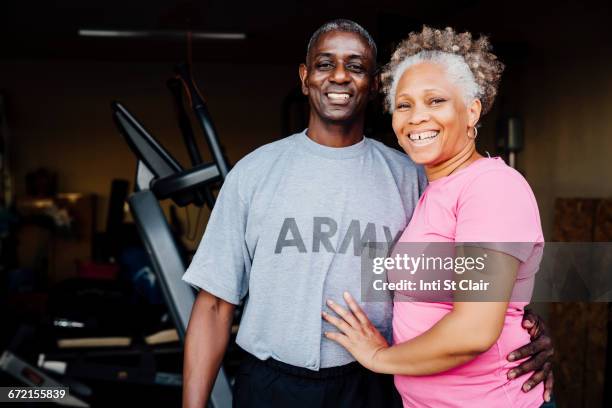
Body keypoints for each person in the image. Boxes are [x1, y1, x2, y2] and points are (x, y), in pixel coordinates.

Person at [182, 20, 553, 408]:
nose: (340, 76)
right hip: (271, 382)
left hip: (373, 381)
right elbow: (212, 304)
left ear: (374, 84)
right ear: (305, 76)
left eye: (356, 66)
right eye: (325, 64)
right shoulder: (253, 173)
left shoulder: (415, 178)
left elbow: (482, 286)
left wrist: (521, 328)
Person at [322, 26, 553, 407]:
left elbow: (475, 330)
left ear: (472, 110)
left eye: (435, 101)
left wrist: (379, 358)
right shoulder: (433, 190)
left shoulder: (491, 187)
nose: (417, 118)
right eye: (404, 104)